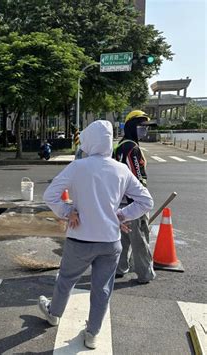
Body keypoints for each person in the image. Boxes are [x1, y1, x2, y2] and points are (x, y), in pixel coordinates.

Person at [38, 120, 153, 349]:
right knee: (102, 288)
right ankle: (92, 333)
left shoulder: (78, 166)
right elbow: (146, 201)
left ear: (89, 141)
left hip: (80, 238)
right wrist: (121, 215)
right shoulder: (121, 170)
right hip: (110, 242)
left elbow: (50, 195)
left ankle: (54, 313)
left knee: (66, 280)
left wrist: (68, 211)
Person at [114, 110, 156, 284]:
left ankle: (119, 268)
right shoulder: (132, 147)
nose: (144, 130)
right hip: (134, 203)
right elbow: (136, 177)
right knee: (140, 239)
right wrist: (141, 201)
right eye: (141, 126)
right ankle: (145, 273)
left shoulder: (120, 145)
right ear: (132, 126)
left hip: (120, 200)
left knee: (124, 238)